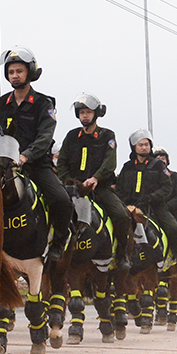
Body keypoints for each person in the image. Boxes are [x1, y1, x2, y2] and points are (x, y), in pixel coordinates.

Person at [0, 47, 70, 263]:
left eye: (19, 71)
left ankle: (59, 241)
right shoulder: (1, 104)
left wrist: (25, 156)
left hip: (36, 165)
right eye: (11, 72)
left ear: (30, 72)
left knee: (61, 199)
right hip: (4, 166)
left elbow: (45, 137)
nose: (15, 75)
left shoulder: (44, 104)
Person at [55, 93, 128, 259]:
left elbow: (110, 162)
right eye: (81, 113)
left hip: (100, 188)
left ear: (96, 114)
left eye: (88, 112)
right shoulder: (72, 136)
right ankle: (54, 249)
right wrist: (69, 181)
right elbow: (62, 162)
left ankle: (122, 254)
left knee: (121, 216)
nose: (85, 115)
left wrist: (96, 178)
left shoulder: (107, 135)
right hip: (73, 190)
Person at [116, 130, 177, 265]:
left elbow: (167, 187)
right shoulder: (127, 167)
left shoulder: (158, 165)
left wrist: (152, 197)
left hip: (155, 206)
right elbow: (119, 188)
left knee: (175, 229)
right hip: (130, 207)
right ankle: (118, 257)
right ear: (134, 147)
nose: (144, 147)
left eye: (147, 144)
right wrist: (125, 202)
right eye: (140, 145)